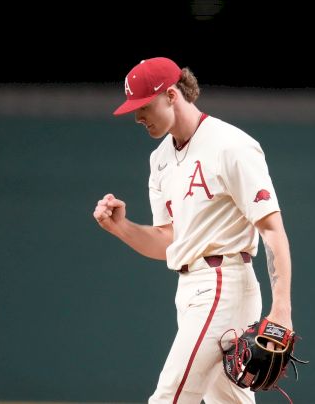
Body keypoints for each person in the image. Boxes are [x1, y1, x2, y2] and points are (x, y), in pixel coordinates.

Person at [92, 57, 294, 404]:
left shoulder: (231, 145)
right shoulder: (160, 161)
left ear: (171, 94)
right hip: (189, 290)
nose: (138, 117)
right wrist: (121, 227)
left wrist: (282, 311)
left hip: (223, 284)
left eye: (144, 106)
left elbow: (272, 229)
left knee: (169, 398)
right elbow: (168, 242)